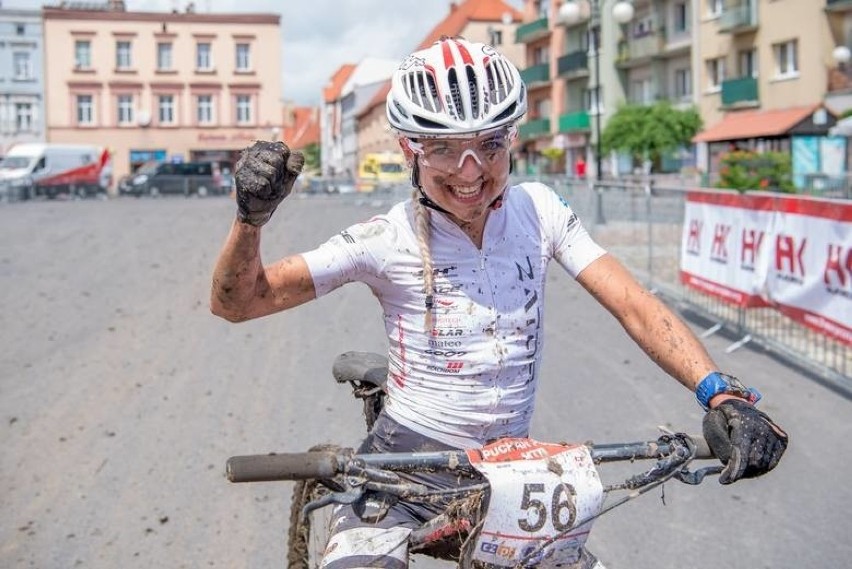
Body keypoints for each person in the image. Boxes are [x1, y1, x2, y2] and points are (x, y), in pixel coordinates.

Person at [211, 37, 787, 568]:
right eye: (444, 148)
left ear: (511, 137)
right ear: (409, 150)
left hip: (510, 474)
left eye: (489, 144)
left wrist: (721, 392)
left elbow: (635, 304)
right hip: (401, 470)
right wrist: (250, 219)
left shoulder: (541, 211)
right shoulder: (386, 239)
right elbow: (240, 302)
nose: (471, 171)